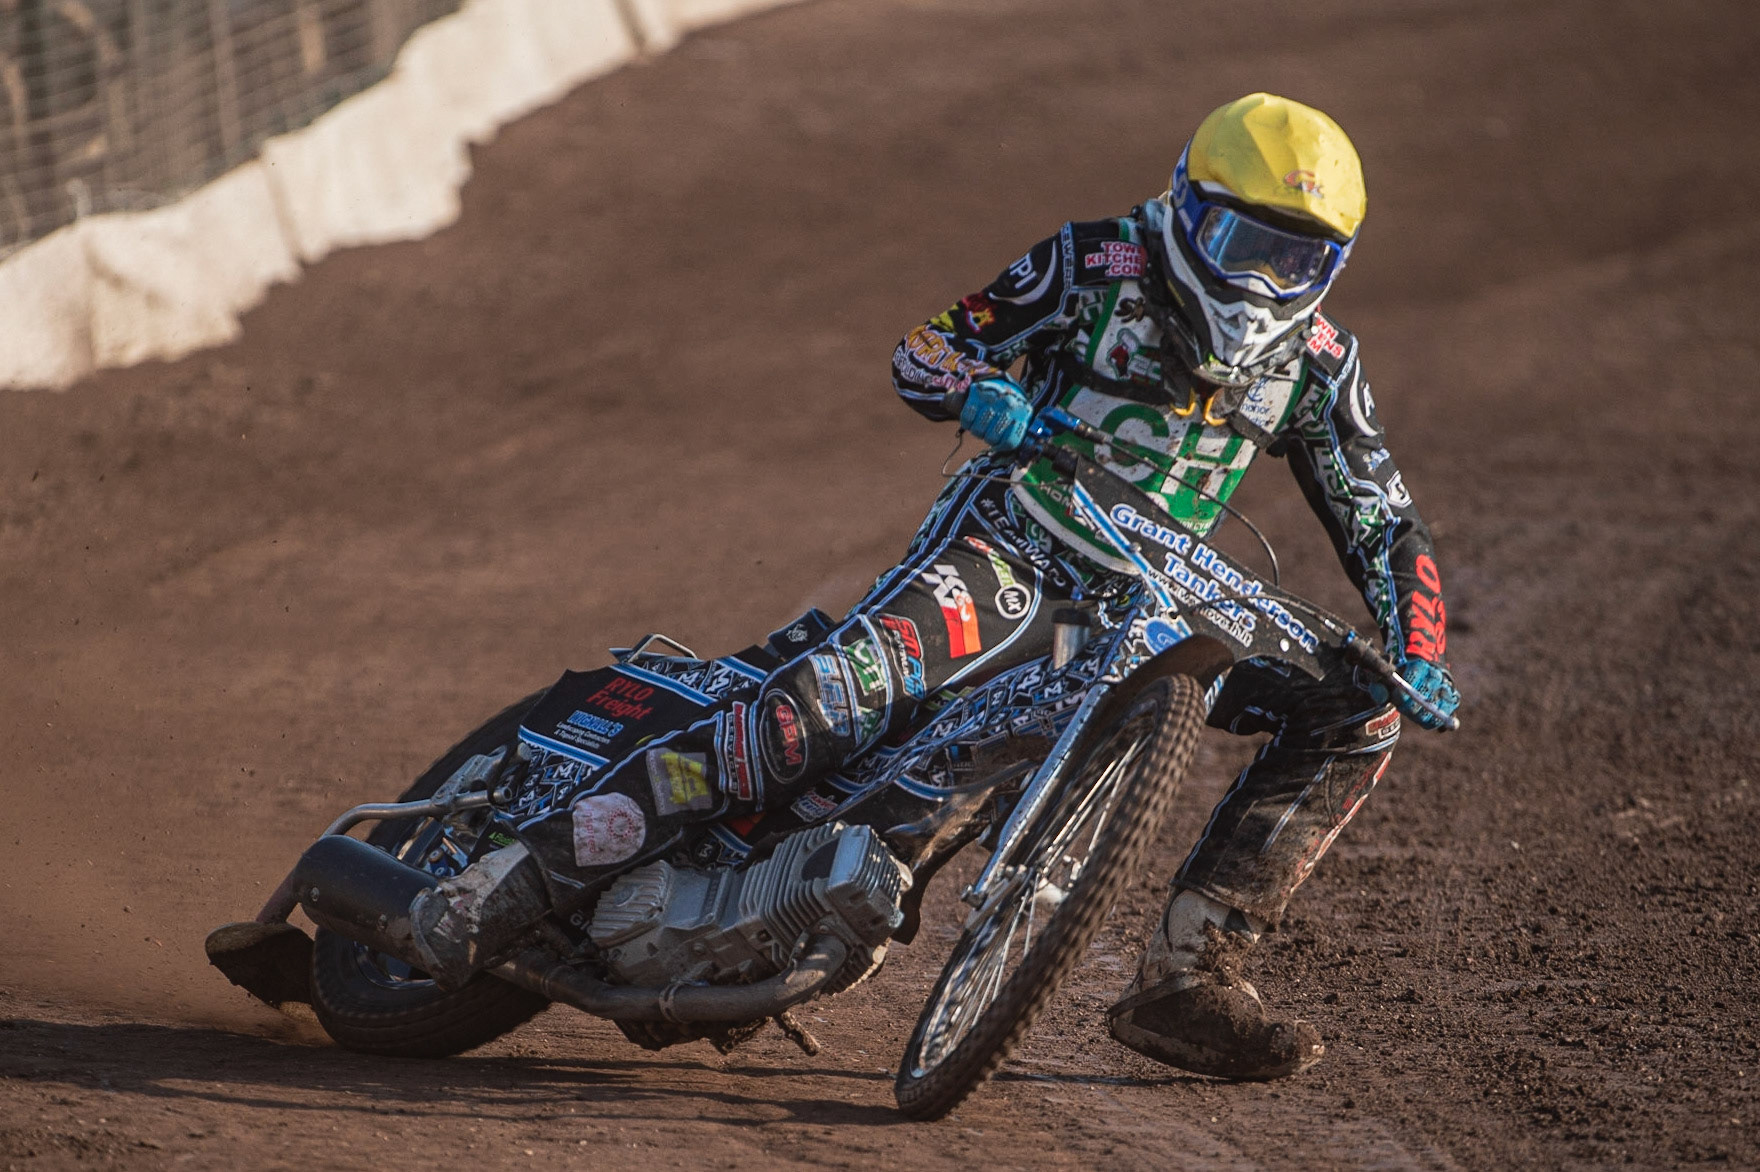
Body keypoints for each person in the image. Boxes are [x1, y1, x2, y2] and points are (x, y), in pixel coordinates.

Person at [412, 92, 1459, 1082]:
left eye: (1298, 257)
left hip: (1153, 609)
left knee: (1357, 710)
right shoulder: (1090, 263)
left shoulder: (1318, 361)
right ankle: (516, 874)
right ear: (1187, 210)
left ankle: (1188, 975)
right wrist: (983, 392)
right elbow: (927, 347)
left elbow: (1383, 515)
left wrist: (1418, 644)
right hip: (1009, 554)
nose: (1265, 280)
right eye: (1245, 245)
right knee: (821, 709)